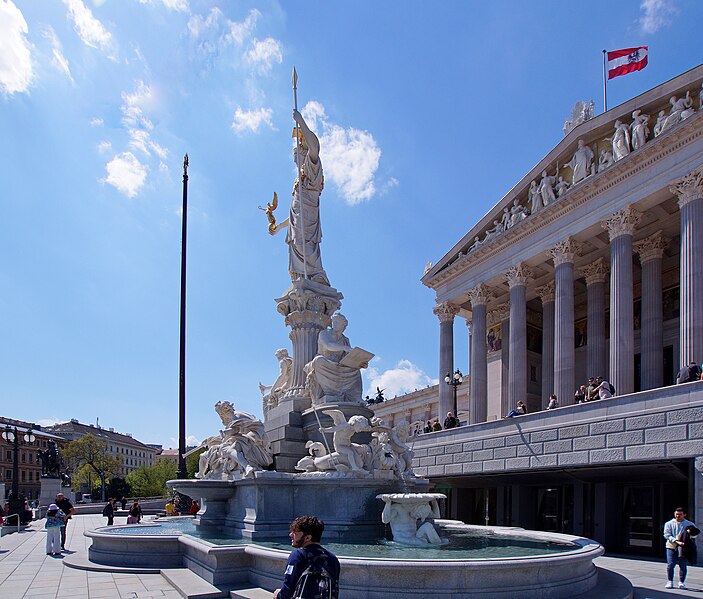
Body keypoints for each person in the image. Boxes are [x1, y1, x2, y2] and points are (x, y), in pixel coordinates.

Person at [274, 516, 340, 599]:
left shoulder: (298, 555)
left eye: (295, 533)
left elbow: (288, 589)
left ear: (308, 538)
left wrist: (278, 595)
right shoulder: (333, 559)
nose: (290, 535)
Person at [663, 507, 699, 589]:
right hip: (671, 546)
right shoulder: (669, 523)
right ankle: (670, 581)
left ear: (684, 515)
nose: (677, 516)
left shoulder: (689, 524)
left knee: (682, 565)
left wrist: (691, 533)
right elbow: (666, 535)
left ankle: (681, 582)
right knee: (671, 564)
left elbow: (695, 535)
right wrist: (676, 541)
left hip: (684, 547)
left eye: (680, 515)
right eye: (676, 514)